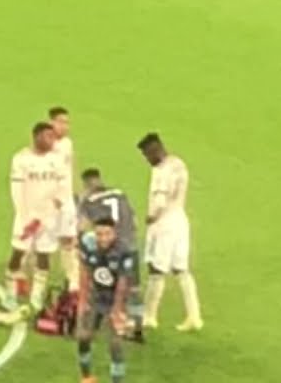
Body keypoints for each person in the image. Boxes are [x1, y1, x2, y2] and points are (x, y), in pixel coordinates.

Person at [138, 133, 202, 331]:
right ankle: (194, 316)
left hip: (164, 225)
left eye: (147, 155)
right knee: (181, 270)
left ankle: (149, 316)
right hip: (180, 221)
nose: (147, 159)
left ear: (154, 150)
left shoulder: (161, 171)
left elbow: (160, 200)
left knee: (156, 270)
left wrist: (151, 217)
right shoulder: (178, 163)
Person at [7, 121, 68, 312]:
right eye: (48, 136)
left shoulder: (57, 160)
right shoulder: (21, 159)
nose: (52, 140)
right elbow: (17, 191)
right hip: (26, 217)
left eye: (53, 137)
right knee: (17, 254)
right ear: (36, 137)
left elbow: (62, 189)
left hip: (48, 218)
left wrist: (49, 212)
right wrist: (26, 217)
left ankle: (36, 297)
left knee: (44, 256)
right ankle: (10, 294)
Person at [79, 168, 143, 341]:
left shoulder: (89, 201)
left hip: (109, 248)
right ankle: (136, 326)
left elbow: (83, 227)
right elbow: (135, 220)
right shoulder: (120, 194)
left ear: (86, 184)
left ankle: (107, 320)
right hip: (129, 244)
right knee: (134, 287)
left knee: (106, 284)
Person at [76, 218, 135, 383]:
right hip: (96, 297)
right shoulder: (89, 245)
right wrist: (82, 301)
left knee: (115, 344)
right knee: (83, 336)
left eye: (107, 233)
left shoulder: (124, 250)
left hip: (118, 299)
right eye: (99, 234)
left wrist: (116, 311)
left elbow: (123, 284)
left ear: (114, 233)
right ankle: (87, 377)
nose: (103, 238)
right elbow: (85, 273)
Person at [49, 106, 81, 293]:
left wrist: (74, 194)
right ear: (51, 122)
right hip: (48, 202)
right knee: (38, 240)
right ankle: (19, 274)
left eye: (67, 122)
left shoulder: (68, 144)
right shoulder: (45, 145)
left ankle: (73, 280)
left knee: (69, 239)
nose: (64, 126)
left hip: (66, 200)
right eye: (61, 122)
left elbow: (70, 170)